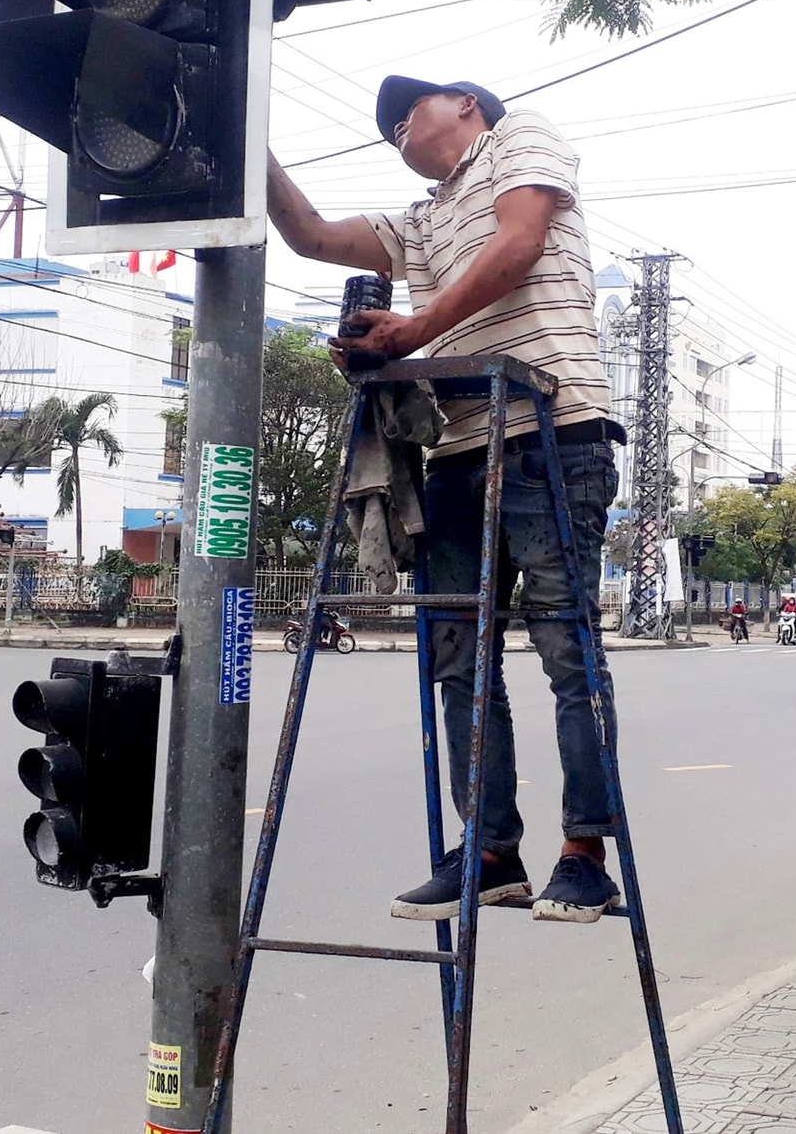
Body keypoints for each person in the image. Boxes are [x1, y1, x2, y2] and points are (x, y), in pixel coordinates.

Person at [266, 75, 626, 925]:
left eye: (409, 112)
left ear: (465, 103)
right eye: (388, 126)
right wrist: (248, 141)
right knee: (458, 660)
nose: (397, 129)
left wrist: (413, 332)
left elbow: (521, 243)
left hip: (553, 430)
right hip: (462, 447)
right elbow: (311, 235)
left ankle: (585, 852)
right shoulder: (422, 219)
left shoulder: (519, 139)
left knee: (566, 649)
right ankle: (491, 848)